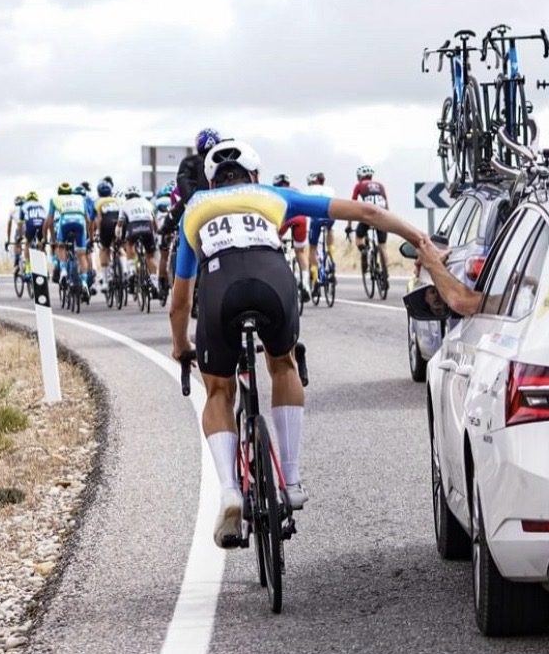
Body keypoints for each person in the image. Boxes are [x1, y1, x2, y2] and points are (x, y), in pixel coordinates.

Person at [168, 140, 430, 548]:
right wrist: (420, 239)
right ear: (254, 176)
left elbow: (180, 299)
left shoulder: (196, 207)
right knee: (283, 363)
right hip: (273, 279)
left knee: (218, 389)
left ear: (211, 180)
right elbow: (367, 212)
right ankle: (289, 481)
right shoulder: (271, 194)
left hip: (219, 287)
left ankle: (230, 492)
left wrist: (180, 344)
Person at [162, 128, 222, 236]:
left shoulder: (189, 162)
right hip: (227, 211)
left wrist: (166, 226)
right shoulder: (229, 161)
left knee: (184, 239)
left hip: (199, 212)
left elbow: (187, 197)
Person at [44, 183, 90, 296]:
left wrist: (53, 240)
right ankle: (84, 283)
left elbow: (49, 222)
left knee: (61, 247)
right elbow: (88, 219)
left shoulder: (54, 199)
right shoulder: (80, 199)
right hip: (79, 222)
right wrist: (89, 235)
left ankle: (63, 271)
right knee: (81, 255)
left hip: (65, 222)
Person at [273, 174, 311, 301]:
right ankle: (305, 283)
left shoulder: (273, 192)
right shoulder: (296, 191)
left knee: (276, 244)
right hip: (301, 219)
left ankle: (287, 271)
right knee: (300, 251)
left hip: (283, 219)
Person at [347, 164, 389, 275]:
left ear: (360, 176)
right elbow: (386, 203)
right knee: (383, 246)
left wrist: (349, 226)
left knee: (359, 239)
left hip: (368, 215)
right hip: (383, 215)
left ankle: (365, 252)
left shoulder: (359, 185)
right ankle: (385, 272)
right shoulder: (381, 185)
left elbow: (352, 205)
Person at [116, 186, 159, 297]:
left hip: (134, 226)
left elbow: (119, 225)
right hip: (147, 226)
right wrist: (157, 233)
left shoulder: (125, 204)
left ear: (127, 196)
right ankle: (154, 282)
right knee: (150, 256)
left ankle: (131, 272)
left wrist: (119, 237)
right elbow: (155, 222)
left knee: (129, 244)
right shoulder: (147, 202)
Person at [304, 171, 336, 289]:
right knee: (330, 229)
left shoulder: (309, 190)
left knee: (312, 248)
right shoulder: (330, 189)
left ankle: (316, 276)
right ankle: (331, 257)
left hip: (316, 220)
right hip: (330, 218)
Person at [93, 180, 121, 292]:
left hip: (106, 223)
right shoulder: (117, 200)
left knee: (104, 249)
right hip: (119, 223)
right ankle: (125, 271)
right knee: (121, 247)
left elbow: (98, 219)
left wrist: (99, 233)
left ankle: (105, 281)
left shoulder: (98, 202)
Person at [153, 183, 175, 296]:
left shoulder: (156, 201)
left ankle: (162, 284)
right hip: (176, 227)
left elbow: (152, 218)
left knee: (164, 257)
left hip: (163, 228)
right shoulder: (177, 197)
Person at [20, 193, 47, 266]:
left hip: (31, 225)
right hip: (42, 224)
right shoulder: (41, 205)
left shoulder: (24, 205)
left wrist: (21, 235)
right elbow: (46, 218)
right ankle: (44, 266)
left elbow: (21, 223)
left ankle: (28, 266)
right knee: (42, 243)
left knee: (27, 243)